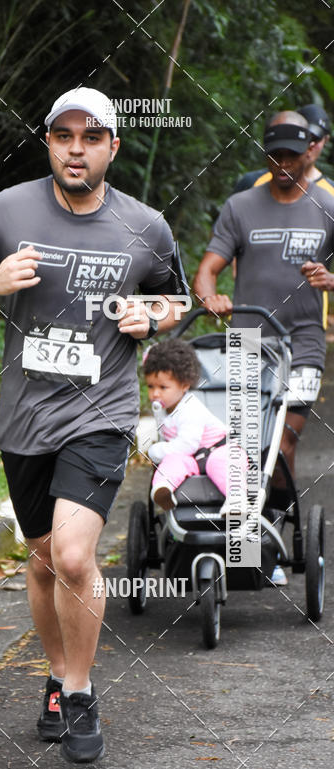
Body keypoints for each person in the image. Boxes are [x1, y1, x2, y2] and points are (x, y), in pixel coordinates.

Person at [0, 87, 187, 763]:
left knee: (76, 556)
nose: (75, 148)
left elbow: (178, 299)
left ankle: (79, 692)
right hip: (25, 418)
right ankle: (54, 674)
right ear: (48, 141)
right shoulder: (7, 209)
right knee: (44, 560)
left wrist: (152, 317)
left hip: (100, 414)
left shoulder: (145, 225)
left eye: (90, 136)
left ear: (112, 146)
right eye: (62, 135)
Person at [193, 110, 334, 584]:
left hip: (304, 340)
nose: (282, 164)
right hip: (250, 338)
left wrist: (329, 279)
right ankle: (245, 542)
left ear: (308, 153)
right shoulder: (240, 206)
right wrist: (209, 296)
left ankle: (270, 533)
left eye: (291, 155)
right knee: (246, 440)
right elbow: (209, 267)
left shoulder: (327, 205)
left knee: (283, 440)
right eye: (273, 155)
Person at [142, 339, 246, 513]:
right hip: (192, 457)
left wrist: (155, 450)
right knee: (173, 461)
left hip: (221, 449)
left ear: (184, 385)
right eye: (150, 386)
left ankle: (236, 499)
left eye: (162, 387)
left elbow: (186, 445)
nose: (155, 393)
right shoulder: (162, 407)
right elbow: (176, 446)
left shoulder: (190, 409)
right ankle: (163, 489)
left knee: (221, 463)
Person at [233, 104, 333, 196]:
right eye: (303, 138)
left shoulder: (330, 193)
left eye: (315, 138)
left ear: (326, 140)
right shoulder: (253, 182)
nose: (310, 144)